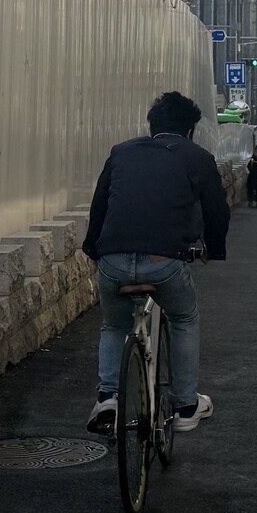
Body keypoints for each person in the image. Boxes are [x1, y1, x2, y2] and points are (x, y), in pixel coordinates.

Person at [81, 91, 229, 434]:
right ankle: (186, 404)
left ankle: (107, 399)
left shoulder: (121, 153)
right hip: (165, 261)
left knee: (114, 325)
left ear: (152, 126)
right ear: (190, 130)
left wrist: (94, 249)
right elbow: (216, 211)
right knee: (183, 318)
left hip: (113, 261)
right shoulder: (197, 157)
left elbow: (100, 204)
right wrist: (214, 248)